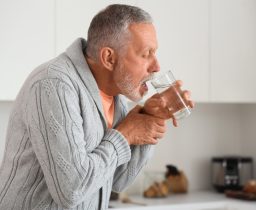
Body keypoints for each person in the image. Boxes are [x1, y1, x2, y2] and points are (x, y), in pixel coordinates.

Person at [0, 4, 193, 210]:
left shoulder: (116, 93)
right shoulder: (54, 84)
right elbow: (72, 190)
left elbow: (119, 181)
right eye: (146, 54)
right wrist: (126, 134)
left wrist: (148, 119)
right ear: (109, 58)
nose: (156, 66)